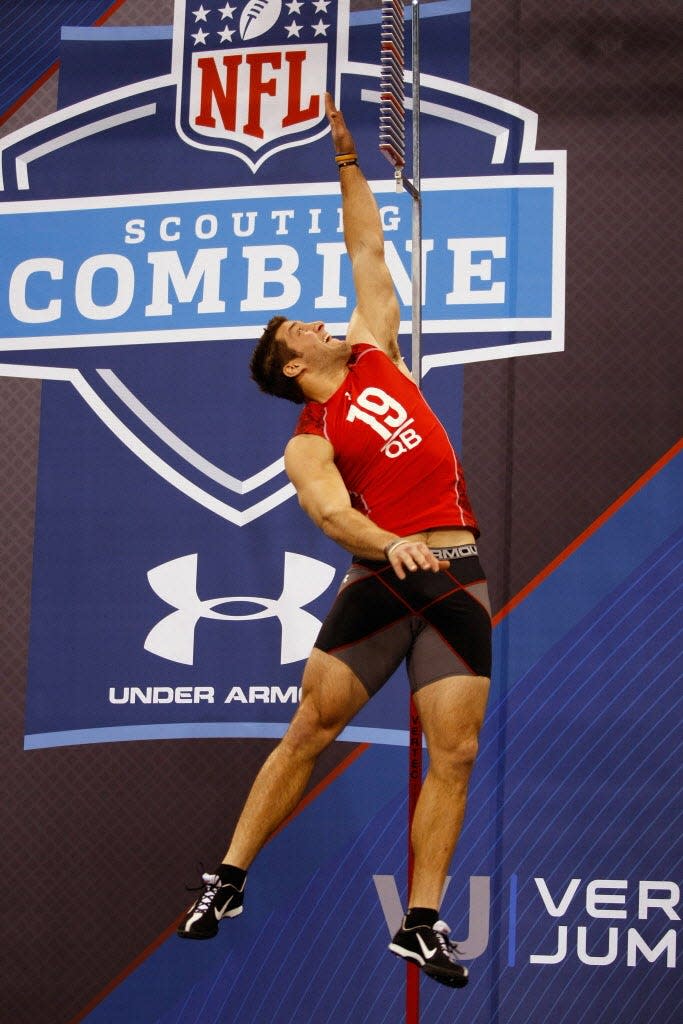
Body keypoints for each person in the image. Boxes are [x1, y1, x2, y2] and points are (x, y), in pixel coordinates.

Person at [177, 94, 491, 990]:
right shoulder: (309, 432)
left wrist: (348, 163)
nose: (315, 321)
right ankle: (229, 879)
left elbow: (366, 250)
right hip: (382, 579)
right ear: (287, 363)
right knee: (310, 729)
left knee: (456, 751)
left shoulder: (375, 352)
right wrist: (388, 542)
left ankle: (421, 923)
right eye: (296, 329)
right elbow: (329, 515)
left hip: (456, 568)